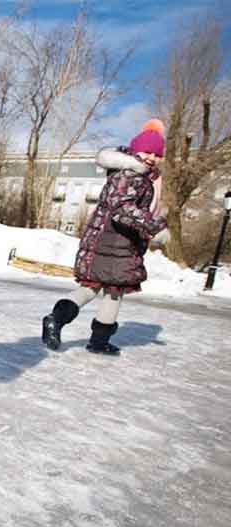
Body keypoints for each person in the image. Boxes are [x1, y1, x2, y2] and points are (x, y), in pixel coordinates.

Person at [42, 119, 168, 355]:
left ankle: (57, 321)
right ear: (134, 150)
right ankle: (93, 339)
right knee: (112, 291)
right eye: (147, 151)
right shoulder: (131, 175)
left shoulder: (135, 174)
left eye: (157, 154)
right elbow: (121, 208)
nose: (151, 157)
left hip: (114, 242)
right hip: (114, 242)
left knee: (96, 288)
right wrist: (154, 224)